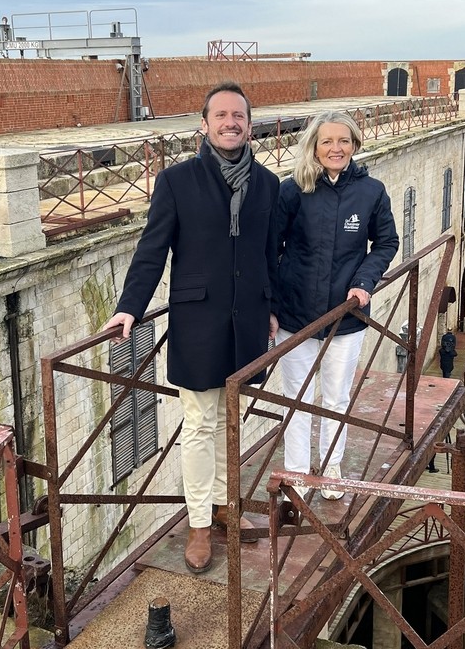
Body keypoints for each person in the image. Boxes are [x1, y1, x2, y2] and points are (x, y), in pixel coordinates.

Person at [102, 81, 280, 574]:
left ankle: (226, 506)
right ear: (204, 124)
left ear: (249, 123)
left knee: (229, 420)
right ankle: (199, 522)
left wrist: (272, 306)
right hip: (197, 322)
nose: (230, 122)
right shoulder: (177, 181)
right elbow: (152, 249)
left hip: (246, 323)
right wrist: (129, 307)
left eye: (238, 115)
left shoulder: (266, 183)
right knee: (199, 425)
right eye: (220, 115)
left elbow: (269, 254)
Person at [274, 110, 399, 499]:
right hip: (295, 315)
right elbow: (270, 248)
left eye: (343, 141)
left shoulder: (371, 191)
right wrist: (271, 305)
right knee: (296, 397)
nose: (335, 148)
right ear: (314, 146)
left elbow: (386, 243)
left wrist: (364, 282)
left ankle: (330, 467)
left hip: (346, 317)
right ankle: (296, 472)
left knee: (336, 395)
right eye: (326, 141)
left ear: (355, 145)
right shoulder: (293, 190)